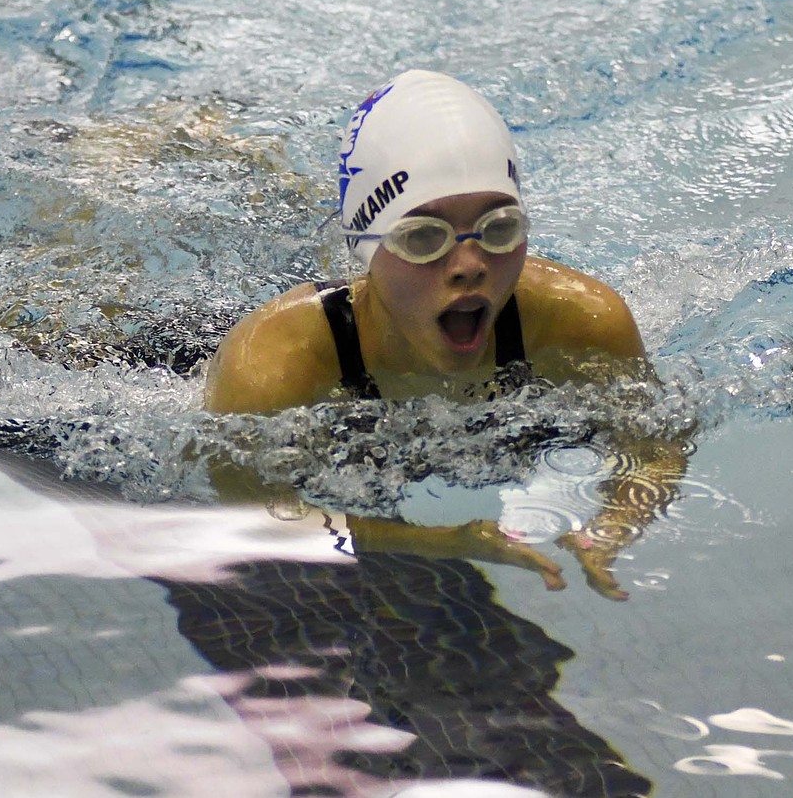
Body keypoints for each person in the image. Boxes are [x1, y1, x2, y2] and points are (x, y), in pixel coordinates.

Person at [205, 69, 684, 598]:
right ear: (368, 243)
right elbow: (251, 511)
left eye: (499, 228)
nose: (470, 265)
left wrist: (614, 524)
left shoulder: (583, 322)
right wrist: (433, 542)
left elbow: (654, 446)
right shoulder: (276, 359)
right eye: (424, 238)